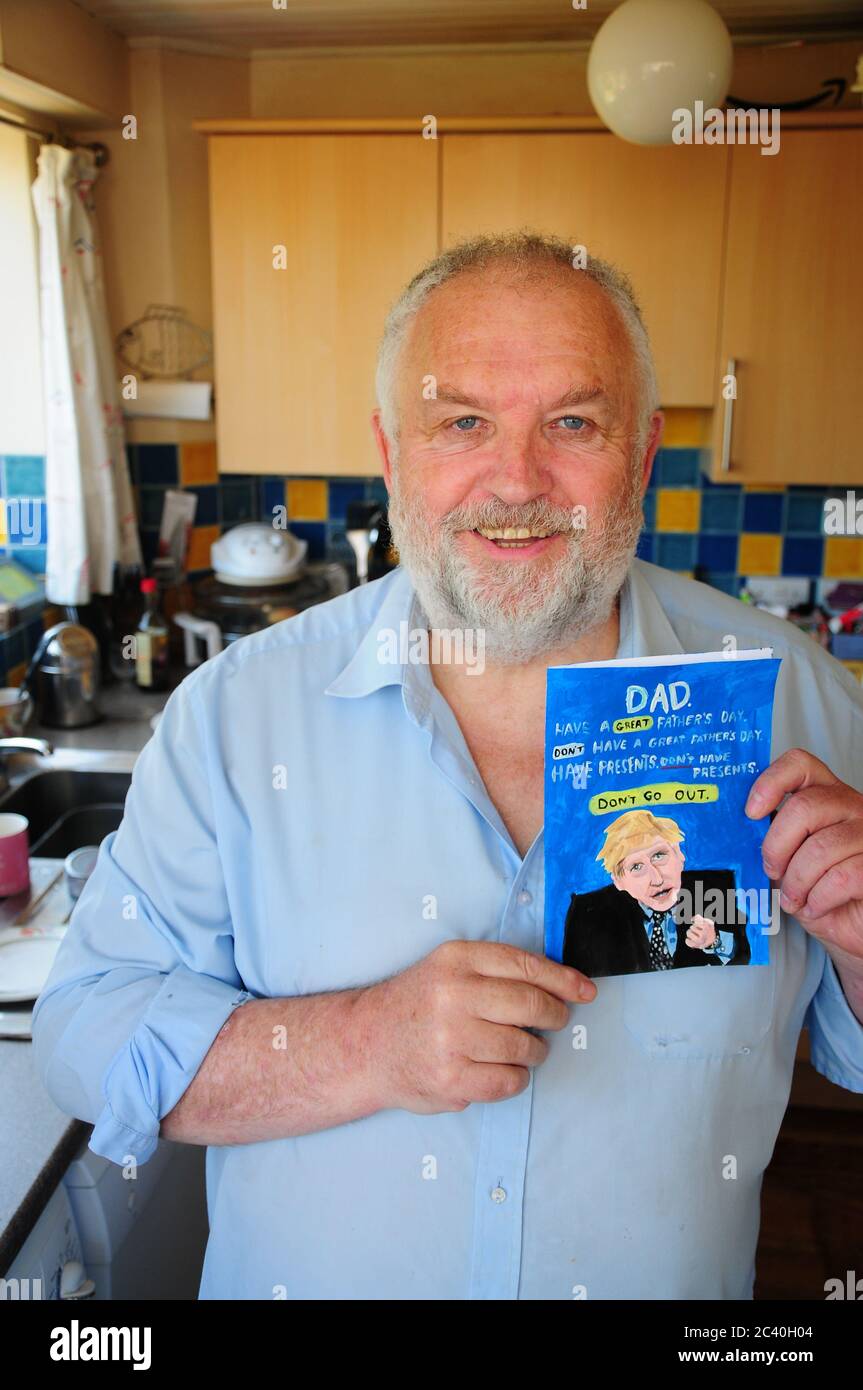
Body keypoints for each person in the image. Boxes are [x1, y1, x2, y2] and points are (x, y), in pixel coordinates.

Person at [32, 232, 863, 1300]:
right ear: (390, 452)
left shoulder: (805, 707)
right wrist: (362, 1044)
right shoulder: (236, 721)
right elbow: (84, 1035)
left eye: (572, 421)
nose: (515, 479)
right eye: (461, 420)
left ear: (643, 452)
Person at [562, 810, 751, 977]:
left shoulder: (715, 887)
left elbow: (743, 957)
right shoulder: (588, 914)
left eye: (659, 856)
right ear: (619, 882)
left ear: (679, 856)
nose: (657, 879)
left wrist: (714, 940)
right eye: (636, 867)